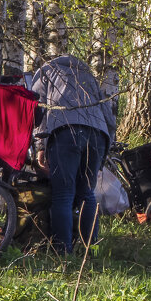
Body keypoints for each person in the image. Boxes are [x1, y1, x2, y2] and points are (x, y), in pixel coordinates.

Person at [31, 55, 116, 253]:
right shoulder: (87, 75)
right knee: (87, 192)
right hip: (97, 135)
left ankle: (63, 250)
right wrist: (107, 141)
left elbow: (39, 110)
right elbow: (107, 111)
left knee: (63, 193)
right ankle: (89, 248)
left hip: (65, 132)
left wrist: (40, 146)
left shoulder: (45, 72)